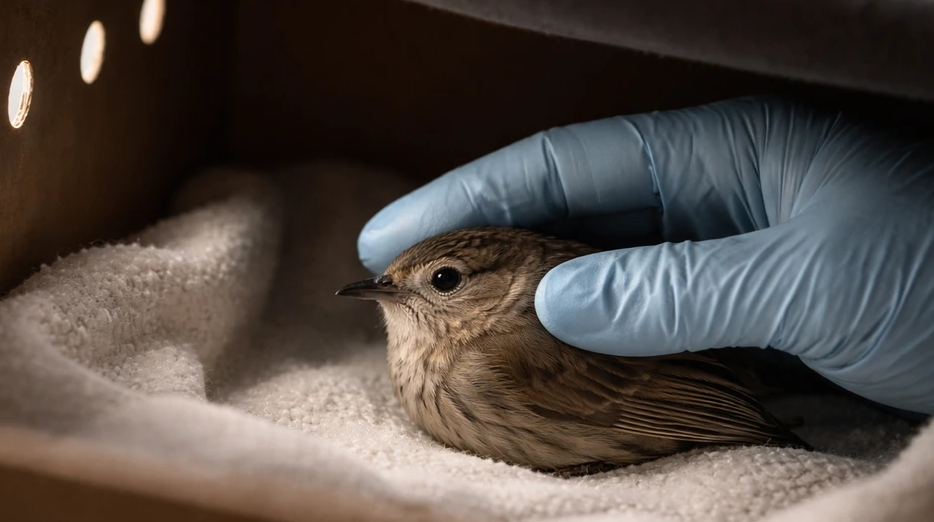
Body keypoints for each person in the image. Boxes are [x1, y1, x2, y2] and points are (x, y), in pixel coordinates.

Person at [356, 95, 934, 416]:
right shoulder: (431, 353)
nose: (393, 293)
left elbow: (646, 409)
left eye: (445, 280)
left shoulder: (487, 361)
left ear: (503, 281)